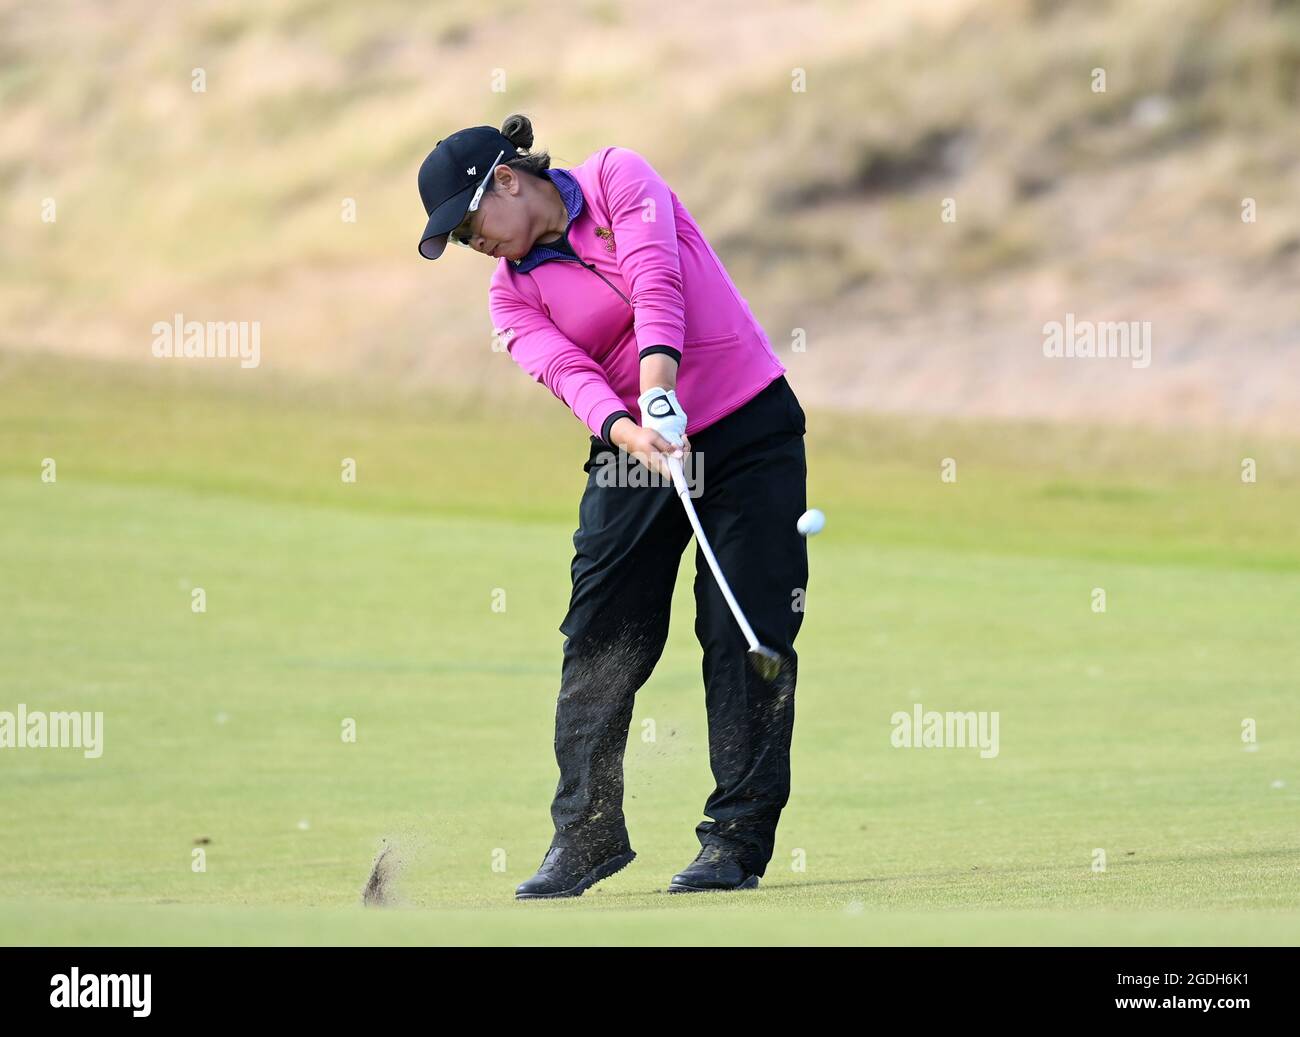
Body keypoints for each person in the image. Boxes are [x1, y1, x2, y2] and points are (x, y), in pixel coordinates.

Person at [416, 114, 809, 898]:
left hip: (746, 427)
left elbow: (658, 277)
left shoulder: (616, 177)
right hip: (636, 452)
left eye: (469, 225)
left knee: (742, 626)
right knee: (600, 627)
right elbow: (567, 372)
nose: (472, 244)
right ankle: (586, 834)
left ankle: (735, 838)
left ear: (506, 178)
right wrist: (631, 429)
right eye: (457, 240)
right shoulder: (510, 299)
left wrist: (659, 383)